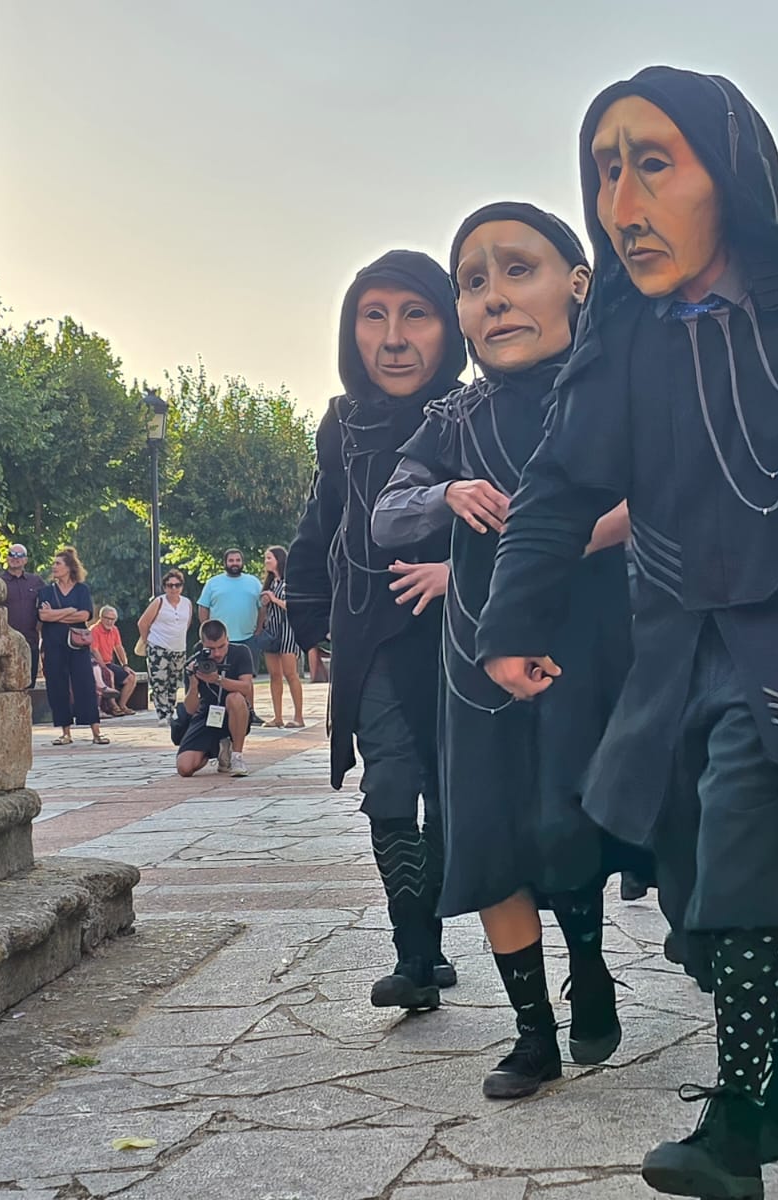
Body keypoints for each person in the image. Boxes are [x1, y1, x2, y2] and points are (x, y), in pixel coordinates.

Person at [476, 69, 778, 1197]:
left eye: (652, 162)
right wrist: (511, 622)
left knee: (736, 841)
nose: (622, 201)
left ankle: (738, 1122)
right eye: (603, 170)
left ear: (726, 172)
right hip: (665, 645)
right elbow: (557, 485)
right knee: (689, 902)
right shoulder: (619, 343)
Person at [374, 202, 632, 1101]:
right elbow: (387, 513)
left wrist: (554, 541)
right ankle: (533, 1035)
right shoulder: (453, 418)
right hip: (472, 665)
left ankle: (592, 969)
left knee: (569, 826)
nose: (495, 297)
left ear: (578, 283)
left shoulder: (612, 398)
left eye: (517, 270)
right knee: (487, 840)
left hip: (589, 647)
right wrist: (447, 495)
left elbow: (660, 501)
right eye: (473, 282)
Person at [286, 249, 467, 1013]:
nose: (393, 338)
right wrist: (309, 606)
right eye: (374, 315)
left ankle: (439, 935)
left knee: (455, 796)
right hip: (375, 634)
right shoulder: (342, 423)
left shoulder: (477, 409)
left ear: (447, 327)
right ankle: (414, 954)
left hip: (465, 630)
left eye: (415, 314)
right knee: (391, 783)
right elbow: (325, 517)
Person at [37, 546, 107, 746]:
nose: (54, 567)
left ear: (69, 567)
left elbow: (84, 615)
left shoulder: (81, 590)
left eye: (58, 563)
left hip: (77, 645)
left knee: (85, 684)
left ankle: (95, 730)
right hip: (54, 645)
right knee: (57, 687)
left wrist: (56, 615)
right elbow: (43, 616)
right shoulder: (46, 591)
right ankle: (65, 732)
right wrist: (68, 610)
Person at [172, 619, 256, 777]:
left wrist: (217, 680)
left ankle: (236, 756)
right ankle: (216, 749)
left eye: (221, 647)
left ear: (228, 640)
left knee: (235, 698)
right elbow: (190, 709)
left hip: (235, 712)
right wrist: (194, 684)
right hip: (207, 714)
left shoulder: (241, 652)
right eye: (210, 649)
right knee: (185, 768)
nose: (217, 653)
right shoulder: (195, 660)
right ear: (202, 644)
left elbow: (246, 687)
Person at [256, 545, 305, 728]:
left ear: (279, 560)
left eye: (269, 558)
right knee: (274, 675)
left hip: (288, 632)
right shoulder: (270, 584)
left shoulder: (290, 582)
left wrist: (274, 599)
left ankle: (298, 716)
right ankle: (277, 716)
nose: (266, 561)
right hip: (272, 631)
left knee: (290, 674)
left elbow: (294, 606)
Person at [137, 569, 194, 723]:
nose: (174, 589)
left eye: (177, 585)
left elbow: (186, 624)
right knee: (159, 681)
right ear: (165, 587)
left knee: (174, 682)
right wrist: (147, 640)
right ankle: (162, 713)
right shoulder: (159, 602)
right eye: (170, 585)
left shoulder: (186, 603)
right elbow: (143, 622)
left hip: (178, 648)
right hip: (158, 646)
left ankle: (170, 709)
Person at [198, 549, 263, 650]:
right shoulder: (212, 583)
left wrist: (259, 630)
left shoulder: (254, 582)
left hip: (249, 639)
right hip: (218, 641)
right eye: (231, 560)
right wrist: (207, 632)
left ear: (242, 562)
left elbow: (262, 607)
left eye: (238, 560)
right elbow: (203, 607)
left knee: (250, 666)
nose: (235, 563)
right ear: (225, 563)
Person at [0, 543, 43, 688]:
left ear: (25, 560)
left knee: (29, 684)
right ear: (7, 558)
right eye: (12, 554)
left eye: (20, 555)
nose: (15, 558)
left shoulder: (36, 581)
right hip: (5, 642)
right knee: (5, 686)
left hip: (31, 641)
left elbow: (47, 605)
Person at [90, 605, 138, 716]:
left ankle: (122, 705)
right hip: (96, 665)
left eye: (112, 619)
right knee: (109, 674)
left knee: (131, 676)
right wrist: (104, 668)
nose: (109, 622)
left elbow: (119, 648)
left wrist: (125, 665)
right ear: (101, 618)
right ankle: (113, 706)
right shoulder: (94, 630)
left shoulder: (114, 630)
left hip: (108, 662)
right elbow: (95, 651)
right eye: (107, 618)